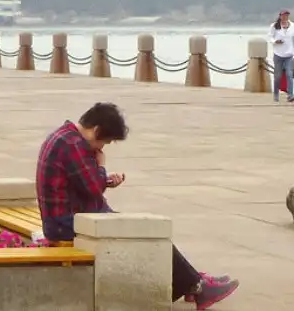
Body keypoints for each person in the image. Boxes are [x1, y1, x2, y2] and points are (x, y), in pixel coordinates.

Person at [37, 103, 239, 309]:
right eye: (105, 142)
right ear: (96, 131)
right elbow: (93, 188)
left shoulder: (65, 136)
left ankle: (194, 283)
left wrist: (104, 179)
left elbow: (82, 183)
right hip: (63, 224)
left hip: (67, 218)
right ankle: (197, 286)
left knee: (142, 229)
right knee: (143, 232)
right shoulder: (73, 145)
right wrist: (101, 166)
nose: (101, 148)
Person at [268, 10, 294, 103]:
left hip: (289, 55)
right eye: (283, 16)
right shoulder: (274, 26)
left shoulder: (293, 27)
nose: (285, 17)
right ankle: (276, 94)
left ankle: (290, 95)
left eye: (287, 16)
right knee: (278, 76)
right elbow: (270, 37)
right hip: (278, 54)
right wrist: (275, 41)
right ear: (280, 16)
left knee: (289, 74)